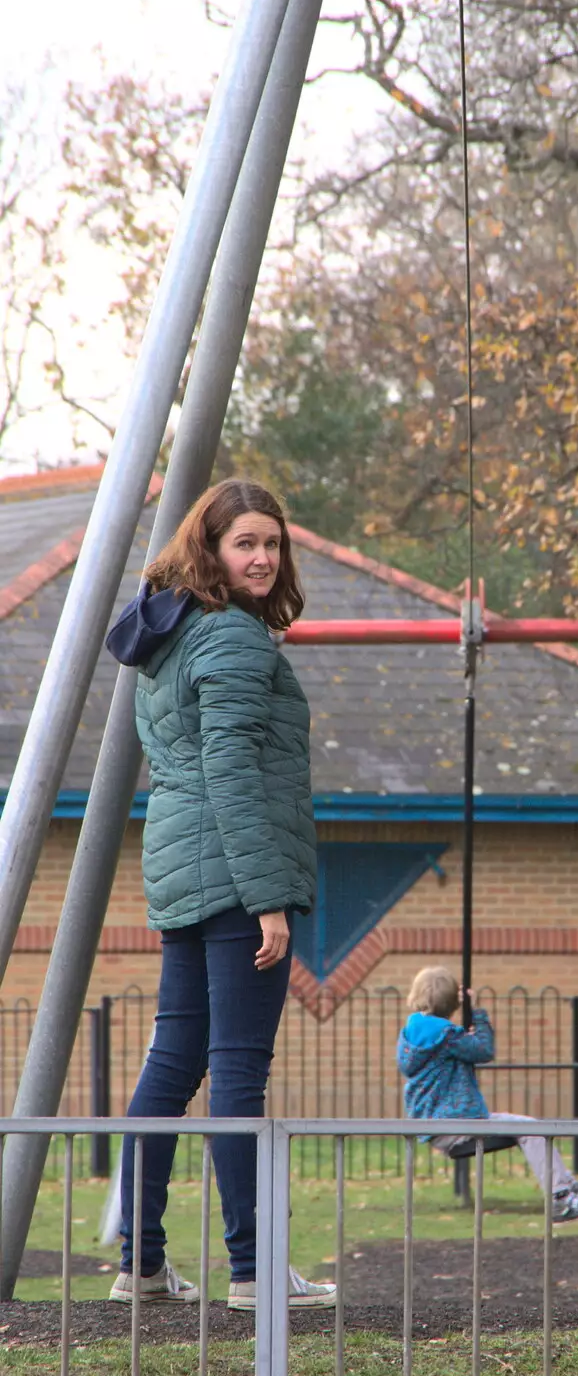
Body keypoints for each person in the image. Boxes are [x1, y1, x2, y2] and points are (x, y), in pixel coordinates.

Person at [104, 480, 335, 1310]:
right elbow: (232, 773)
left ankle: (142, 1263)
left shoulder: (169, 635)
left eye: (272, 543)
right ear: (210, 548)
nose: (264, 559)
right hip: (236, 875)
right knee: (238, 1073)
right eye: (246, 543)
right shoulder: (234, 637)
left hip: (181, 870)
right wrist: (268, 895)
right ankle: (254, 1270)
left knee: (171, 1067)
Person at [396, 966, 578, 1224]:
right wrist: (476, 1014)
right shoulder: (447, 1035)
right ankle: (561, 1199)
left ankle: (569, 1188)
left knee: (530, 1128)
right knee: (533, 1131)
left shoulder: (411, 1033)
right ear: (452, 1002)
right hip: (458, 1123)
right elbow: (484, 1050)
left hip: (438, 1125)